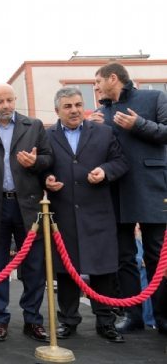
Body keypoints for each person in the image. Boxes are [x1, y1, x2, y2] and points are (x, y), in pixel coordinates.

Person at [0, 83, 53, 342]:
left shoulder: (34, 126)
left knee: (34, 266)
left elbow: (49, 159)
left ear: (15, 99)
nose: (5, 105)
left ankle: (33, 320)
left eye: (9, 100)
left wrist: (36, 162)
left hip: (27, 204)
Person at [44, 86, 127, 343]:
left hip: (97, 211)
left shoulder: (104, 132)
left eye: (78, 105)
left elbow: (120, 162)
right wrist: (46, 179)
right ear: (57, 110)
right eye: (68, 106)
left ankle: (106, 322)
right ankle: (68, 321)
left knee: (103, 269)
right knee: (66, 270)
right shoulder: (46, 137)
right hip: (63, 213)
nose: (75, 110)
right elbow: (39, 167)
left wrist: (104, 171)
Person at [90, 62, 167, 333]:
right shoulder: (100, 113)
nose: (95, 87)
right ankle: (132, 316)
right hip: (115, 191)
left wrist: (139, 124)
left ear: (113, 78)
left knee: (157, 256)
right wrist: (92, 130)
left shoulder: (154, 97)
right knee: (124, 257)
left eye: (98, 81)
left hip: (151, 188)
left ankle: (163, 317)